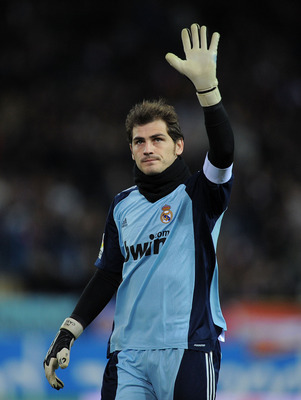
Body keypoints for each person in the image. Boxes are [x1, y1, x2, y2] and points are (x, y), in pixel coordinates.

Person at [43, 23, 234, 400]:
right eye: (139, 141)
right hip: (127, 353)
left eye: (158, 139)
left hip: (189, 347)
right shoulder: (121, 206)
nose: (148, 148)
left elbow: (224, 151)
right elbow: (107, 275)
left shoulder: (200, 193)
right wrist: (67, 333)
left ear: (178, 146)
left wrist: (207, 91)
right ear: (131, 150)